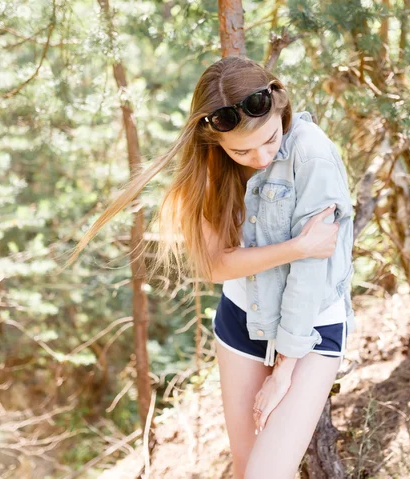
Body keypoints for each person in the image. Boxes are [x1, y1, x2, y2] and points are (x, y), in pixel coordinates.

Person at [65, 55, 355, 479]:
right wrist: (297, 246)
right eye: (241, 150)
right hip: (240, 320)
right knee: (244, 469)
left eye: (271, 139)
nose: (259, 157)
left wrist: (285, 368)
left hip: (309, 333)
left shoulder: (312, 153)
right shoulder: (211, 165)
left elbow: (312, 275)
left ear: (280, 105)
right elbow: (218, 267)